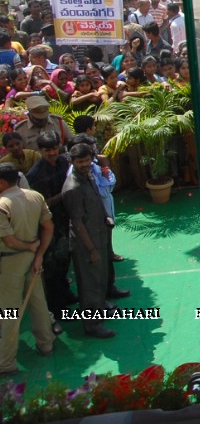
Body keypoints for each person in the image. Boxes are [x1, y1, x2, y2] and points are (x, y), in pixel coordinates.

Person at [0, 162, 56, 373]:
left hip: (10, 263)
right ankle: (46, 344)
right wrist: (38, 253)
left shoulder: (2, 204)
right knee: (38, 304)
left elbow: (11, 241)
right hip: (33, 261)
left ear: (2, 182)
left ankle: (6, 362)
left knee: (9, 313)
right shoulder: (35, 196)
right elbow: (49, 226)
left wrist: (28, 246)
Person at [60, 143, 118, 338]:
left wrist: (105, 217)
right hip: (86, 243)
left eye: (86, 160)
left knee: (100, 277)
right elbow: (77, 223)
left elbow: (97, 201)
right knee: (89, 284)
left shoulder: (89, 176)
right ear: (72, 162)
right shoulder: (72, 187)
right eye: (80, 161)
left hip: (98, 234)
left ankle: (100, 307)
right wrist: (91, 249)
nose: (84, 164)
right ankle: (92, 324)